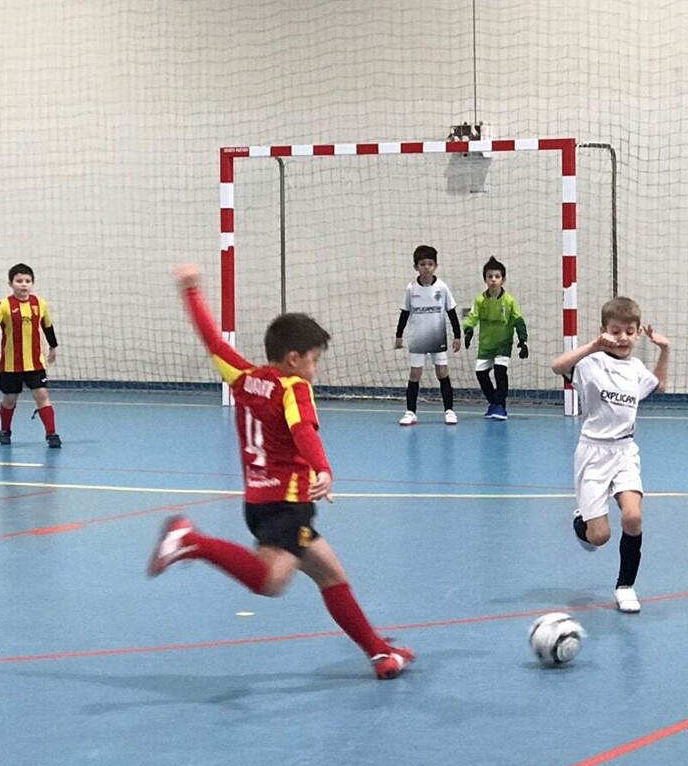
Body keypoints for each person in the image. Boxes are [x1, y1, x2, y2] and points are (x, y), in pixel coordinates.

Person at [149, 266, 414, 678]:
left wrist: (192, 292)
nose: (315, 369)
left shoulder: (244, 377)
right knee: (270, 582)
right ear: (294, 359)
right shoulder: (294, 388)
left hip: (258, 503)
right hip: (288, 503)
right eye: (314, 360)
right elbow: (302, 429)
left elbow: (213, 341)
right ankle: (191, 540)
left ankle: (380, 653)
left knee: (330, 575)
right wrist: (322, 468)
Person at [552, 297, 670, 614]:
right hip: (593, 452)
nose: (622, 338)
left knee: (633, 517)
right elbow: (558, 366)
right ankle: (582, 522)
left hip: (625, 450)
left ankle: (625, 586)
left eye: (629, 332)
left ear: (637, 333)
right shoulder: (590, 364)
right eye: (615, 331)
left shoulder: (636, 368)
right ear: (603, 330)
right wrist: (592, 345)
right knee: (599, 537)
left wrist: (665, 350)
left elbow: (659, 386)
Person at [0, 262, 60, 448]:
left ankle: (51, 434)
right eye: (19, 281)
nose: (24, 284)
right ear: (11, 284)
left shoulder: (40, 303)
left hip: (35, 363)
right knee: (9, 400)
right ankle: (5, 430)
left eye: (27, 281)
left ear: (32, 283)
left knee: (42, 395)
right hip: (11, 365)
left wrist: (53, 347)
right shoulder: (4, 305)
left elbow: (47, 326)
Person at [392, 243, 462, 426]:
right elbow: (405, 313)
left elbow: (451, 312)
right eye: (422, 264)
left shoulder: (442, 287)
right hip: (418, 338)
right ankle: (411, 412)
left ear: (435, 266)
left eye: (430, 264)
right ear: (416, 267)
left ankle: (449, 410)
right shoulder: (411, 288)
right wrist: (399, 335)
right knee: (415, 374)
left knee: (442, 372)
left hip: (437, 336)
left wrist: (457, 335)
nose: (426, 268)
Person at [462, 257, 529, 420]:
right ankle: (494, 403)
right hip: (486, 345)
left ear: (503, 280)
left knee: (500, 372)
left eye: (497, 276)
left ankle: (500, 406)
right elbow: (472, 317)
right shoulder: (480, 300)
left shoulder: (509, 300)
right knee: (481, 374)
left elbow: (518, 319)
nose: (493, 279)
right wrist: (468, 331)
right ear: (485, 279)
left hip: (503, 343)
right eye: (490, 276)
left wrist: (523, 340)